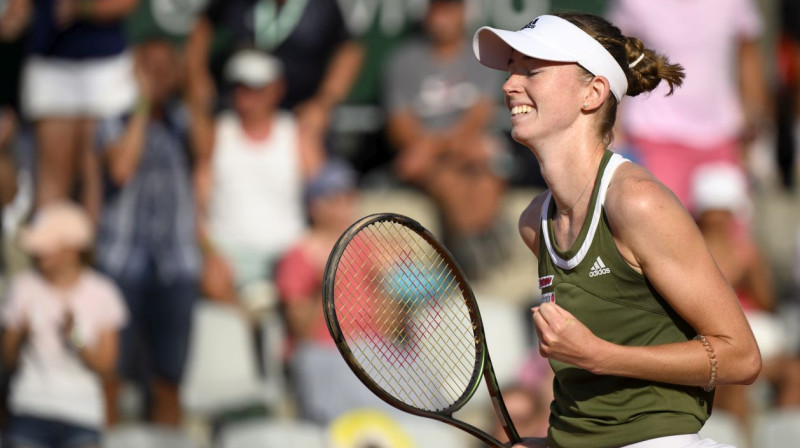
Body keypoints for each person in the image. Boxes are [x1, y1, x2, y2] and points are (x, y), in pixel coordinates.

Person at [472, 12, 761, 448]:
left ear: (592, 93)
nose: (509, 85)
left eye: (532, 69)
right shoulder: (535, 223)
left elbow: (742, 357)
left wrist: (599, 355)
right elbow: (595, 412)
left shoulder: (638, 202)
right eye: (513, 68)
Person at [94, 38, 202, 426]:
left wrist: (191, 85)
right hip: (122, 262)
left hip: (177, 263)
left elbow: (206, 151)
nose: (158, 75)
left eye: (166, 66)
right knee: (112, 376)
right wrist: (142, 103)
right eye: (149, 66)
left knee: (169, 378)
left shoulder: (184, 119)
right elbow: (121, 168)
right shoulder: (114, 118)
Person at [384, 0, 510, 281]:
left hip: (461, 151)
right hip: (430, 159)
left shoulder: (481, 58)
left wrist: (433, 147)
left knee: (486, 176)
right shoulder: (403, 61)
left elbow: (479, 117)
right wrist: (433, 150)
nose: (443, 19)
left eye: (450, 10)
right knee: (448, 180)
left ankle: (475, 245)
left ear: (463, 13)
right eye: (437, 10)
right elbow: (399, 125)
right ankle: (472, 255)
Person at [606, 0, 771, 213]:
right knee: (662, 230)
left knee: (730, 238)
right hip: (656, 135)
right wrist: (613, 127)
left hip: (722, 135)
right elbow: (618, 59)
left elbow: (748, 55)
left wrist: (757, 122)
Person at [195, 48, 322, 305]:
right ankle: (243, 330)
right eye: (240, 87)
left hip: (288, 251)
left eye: (255, 87)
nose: (246, 96)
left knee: (314, 279)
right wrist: (210, 253)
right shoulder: (217, 134)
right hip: (229, 255)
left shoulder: (296, 135)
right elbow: (197, 206)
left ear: (276, 89)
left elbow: (325, 196)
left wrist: (313, 248)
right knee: (210, 280)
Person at [1, 201, 127, 448]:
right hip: (29, 408)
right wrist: (20, 336)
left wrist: (76, 337)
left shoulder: (103, 293)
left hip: (81, 414)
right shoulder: (23, 287)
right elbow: (7, 358)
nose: (38, 254)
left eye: (47, 247)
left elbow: (108, 367)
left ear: (72, 250)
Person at [274, 159, 386, 424]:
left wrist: (383, 282)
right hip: (325, 356)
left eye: (349, 196)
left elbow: (392, 328)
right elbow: (301, 332)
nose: (345, 205)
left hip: (373, 355)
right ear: (314, 206)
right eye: (335, 197)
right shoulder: (297, 256)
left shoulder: (371, 248)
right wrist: (324, 279)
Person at [691, 163, 800, 428]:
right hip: (711, 341)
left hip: (751, 337)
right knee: (735, 378)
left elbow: (767, 303)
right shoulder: (689, 251)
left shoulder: (746, 253)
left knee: (793, 374)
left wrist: (749, 274)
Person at [12, 0, 139, 219]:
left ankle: (92, 252)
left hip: (104, 62)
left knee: (95, 174)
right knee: (52, 179)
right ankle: (50, 249)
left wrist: (83, 8)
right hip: (50, 59)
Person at [185, 0, 363, 139]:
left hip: (297, 115)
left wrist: (323, 104)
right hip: (238, 109)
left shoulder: (323, 6)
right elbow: (202, 26)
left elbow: (349, 51)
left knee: (312, 145)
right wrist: (198, 76)